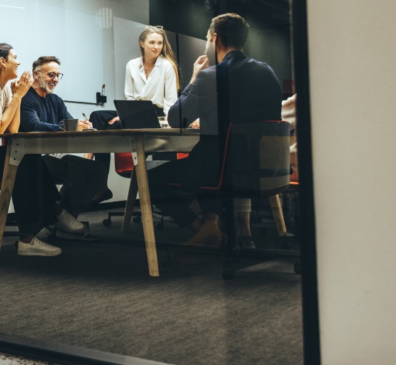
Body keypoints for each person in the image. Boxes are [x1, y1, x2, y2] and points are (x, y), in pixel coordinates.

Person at [148, 13, 283, 247]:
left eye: (207, 38)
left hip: (221, 169)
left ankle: (205, 231)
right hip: (263, 166)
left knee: (151, 180)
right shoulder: (268, 73)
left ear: (216, 39)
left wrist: (194, 78)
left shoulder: (212, 76)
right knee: (206, 157)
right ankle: (211, 226)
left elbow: (176, 119)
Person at [0, 44, 84, 257]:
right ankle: (47, 221)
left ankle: (39, 228)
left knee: (24, 158)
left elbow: (11, 130)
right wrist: (19, 97)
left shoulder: (1, 88)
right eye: (15, 57)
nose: (19, 62)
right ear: (2, 62)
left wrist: (16, 97)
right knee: (21, 160)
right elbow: (0, 129)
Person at [18, 55, 112, 239]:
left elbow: (70, 124)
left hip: (53, 156)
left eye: (58, 76)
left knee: (98, 169)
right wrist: (68, 126)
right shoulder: (26, 98)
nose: (55, 79)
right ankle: (60, 218)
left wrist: (83, 127)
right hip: (31, 158)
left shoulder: (56, 100)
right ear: (36, 75)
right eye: (51, 75)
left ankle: (68, 217)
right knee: (76, 173)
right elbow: (33, 126)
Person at [90, 25, 182, 169]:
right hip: (134, 110)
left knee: (110, 128)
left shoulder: (167, 66)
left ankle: (91, 156)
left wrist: (168, 125)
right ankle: (100, 175)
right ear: (142, 43)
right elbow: (130, 96)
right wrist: (125, 115)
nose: (156, 47)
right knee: (97, 116)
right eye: (152, 42)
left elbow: (170, 101)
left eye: (160, 43)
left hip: (155, 113)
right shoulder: (132, 65)